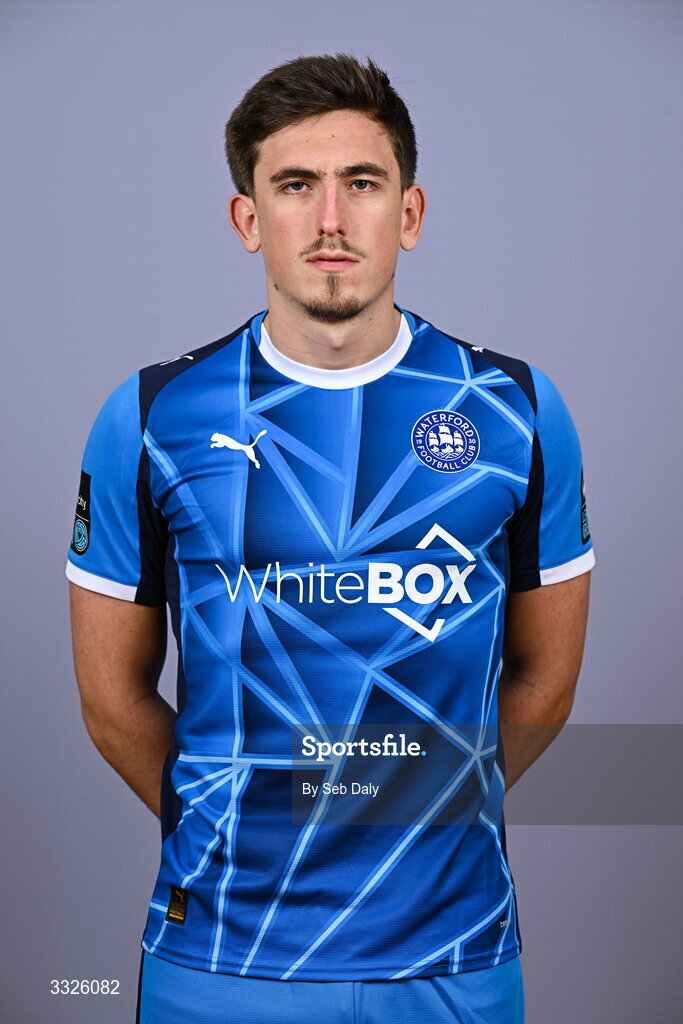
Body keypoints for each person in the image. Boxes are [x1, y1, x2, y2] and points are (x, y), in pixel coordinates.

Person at [65, 53, 595, 1024]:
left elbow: (545, 683)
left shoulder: (514, 408)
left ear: (410, 212)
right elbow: (110, 700)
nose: (330, 220)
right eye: (294, 185)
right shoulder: (152, 416)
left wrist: (428, 804)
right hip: (219, 957)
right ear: (247, 219)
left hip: (453, 956)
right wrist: (235, 821)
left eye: (361, 183)